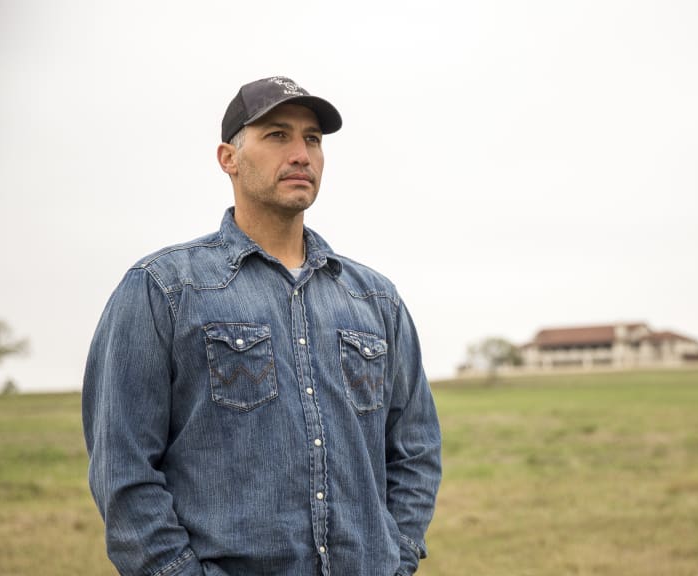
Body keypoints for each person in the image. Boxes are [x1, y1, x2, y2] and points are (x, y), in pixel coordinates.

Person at [82, 76, 441, 576]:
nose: (301, 154)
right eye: (278, 135)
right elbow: (124, 472)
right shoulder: (164, 289)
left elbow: (416, 450)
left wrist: (396, 560)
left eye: (312, 138)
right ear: (228, 157)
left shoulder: (374, 298)